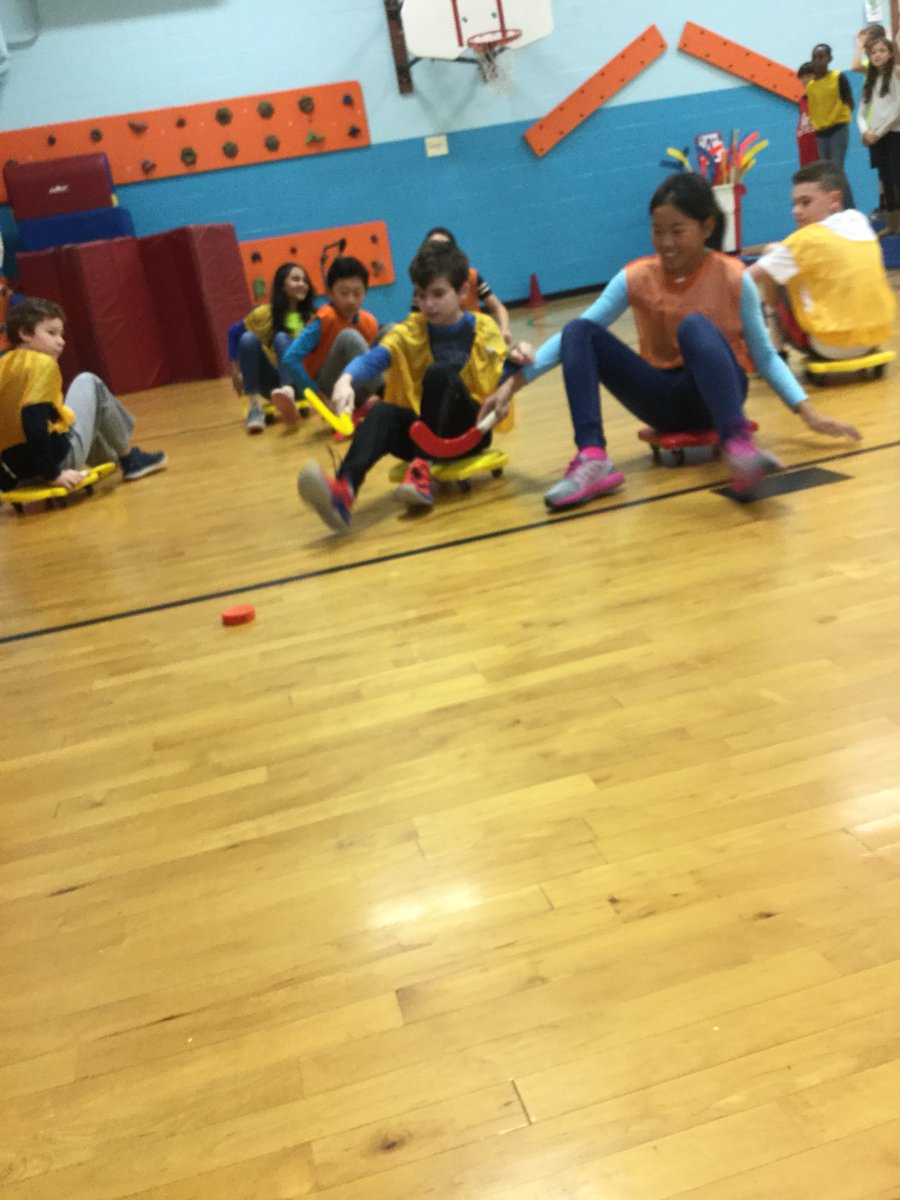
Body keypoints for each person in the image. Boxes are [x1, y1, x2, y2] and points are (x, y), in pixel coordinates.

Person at [477, 174, 860, 510]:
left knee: (695, 327)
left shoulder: (734, 277)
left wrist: (808, 413)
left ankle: (739, 446)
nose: (666, 242)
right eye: (658, 231)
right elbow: (570, 340)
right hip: (663, 402)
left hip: (719, 397)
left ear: (706, 226)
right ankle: (593, 458)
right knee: (579, 330)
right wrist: (510, 384)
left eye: (677, 231)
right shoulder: (636, 276)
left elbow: (765, 356)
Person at [297, 240, 531, 533]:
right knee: (381, 412)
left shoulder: (484, 328)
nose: (428, 304)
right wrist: (346, 380)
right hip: (426, 433)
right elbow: (375, 358)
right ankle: (344, 491)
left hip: (471, 431)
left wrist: (520, 356)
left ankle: (422, 467)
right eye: (421, 295)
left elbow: (504, 373)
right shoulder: (412, 329)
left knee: (439, 373)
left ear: (462, 291)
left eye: (438, 294)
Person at [0, 298, 167, 493]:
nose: (61, 341)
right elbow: (33, 424)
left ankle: (110, 457)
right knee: (88, 382)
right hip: (55, 462)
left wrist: (6, 481)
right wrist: (53, 474)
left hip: (19, 472)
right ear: (25, 333)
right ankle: (130, 459)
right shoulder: (42, 364)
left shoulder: (3, 365)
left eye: (61, 335)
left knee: (67, 414)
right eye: (51, 333)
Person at [750, 160, 896, 360]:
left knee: (771, 254)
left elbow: (742, 279)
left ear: (834, 199)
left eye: (805, 202)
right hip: (874, 337)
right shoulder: (858, 220)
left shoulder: (804, 241)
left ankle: (775, 347)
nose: (796, 211)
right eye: (795, 204)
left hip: (827, 345)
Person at [273, 256, 380, 426]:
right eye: (344, 293)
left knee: (390, 332)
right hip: (329, 387)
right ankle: (387, 397)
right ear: (329, 292)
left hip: (356, 387)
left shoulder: (369, 321)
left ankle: (382, 399)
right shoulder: (324, 318)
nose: (351, 300)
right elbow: (290, 358)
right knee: (349, 337)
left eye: (357, 293)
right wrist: (319, 398)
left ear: (365, 293)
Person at [227, 262, 315, 433]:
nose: (302, 284)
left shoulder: (312, 317)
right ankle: (254, 408)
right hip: (273, 386)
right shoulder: (264, 313)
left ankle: (288, 391)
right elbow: (233, 332)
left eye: (305, 280)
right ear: (282, 285)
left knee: (282, 338)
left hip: (302, 382)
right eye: (296, 279)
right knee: (247, 338)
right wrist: (235, 370)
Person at [414, 227, 512, 344]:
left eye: (439, 294)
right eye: (433, 247)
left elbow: (498, 307)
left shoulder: (471, 276)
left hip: (476, 340)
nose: (429, 303)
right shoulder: (422, 285)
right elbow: (414, 323)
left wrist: (504, 330)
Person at [856, 33, 900, 235]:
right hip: (876, 137)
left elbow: (897, 108)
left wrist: (879, 131)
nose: (878, 55)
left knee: (898, 177)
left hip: (894, 133)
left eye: (882, 51)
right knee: (886, 179)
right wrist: (865, 131)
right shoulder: (870, 80)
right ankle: (892, 224)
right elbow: (861, 113)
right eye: (873, 52)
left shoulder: (896, 74)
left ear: (890, 54)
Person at [806, 43, 856, 203]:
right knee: (827, 173)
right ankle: (835, 208)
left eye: (821, 57)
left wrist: (838, 116)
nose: (818, 61)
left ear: (830, 59)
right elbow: (814, 109)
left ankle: (848, 208)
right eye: (814, 58)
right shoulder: (810, 86)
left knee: (836, 169)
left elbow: (850, 102)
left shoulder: (838, 77)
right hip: (821, 133)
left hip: (838, 128)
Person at [796, 64, 820, 166]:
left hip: (818, 145)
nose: (805, 80)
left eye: (809, 76)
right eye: (802, 78)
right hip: (805, 146)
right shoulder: (802, 100)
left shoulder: (822, 96)